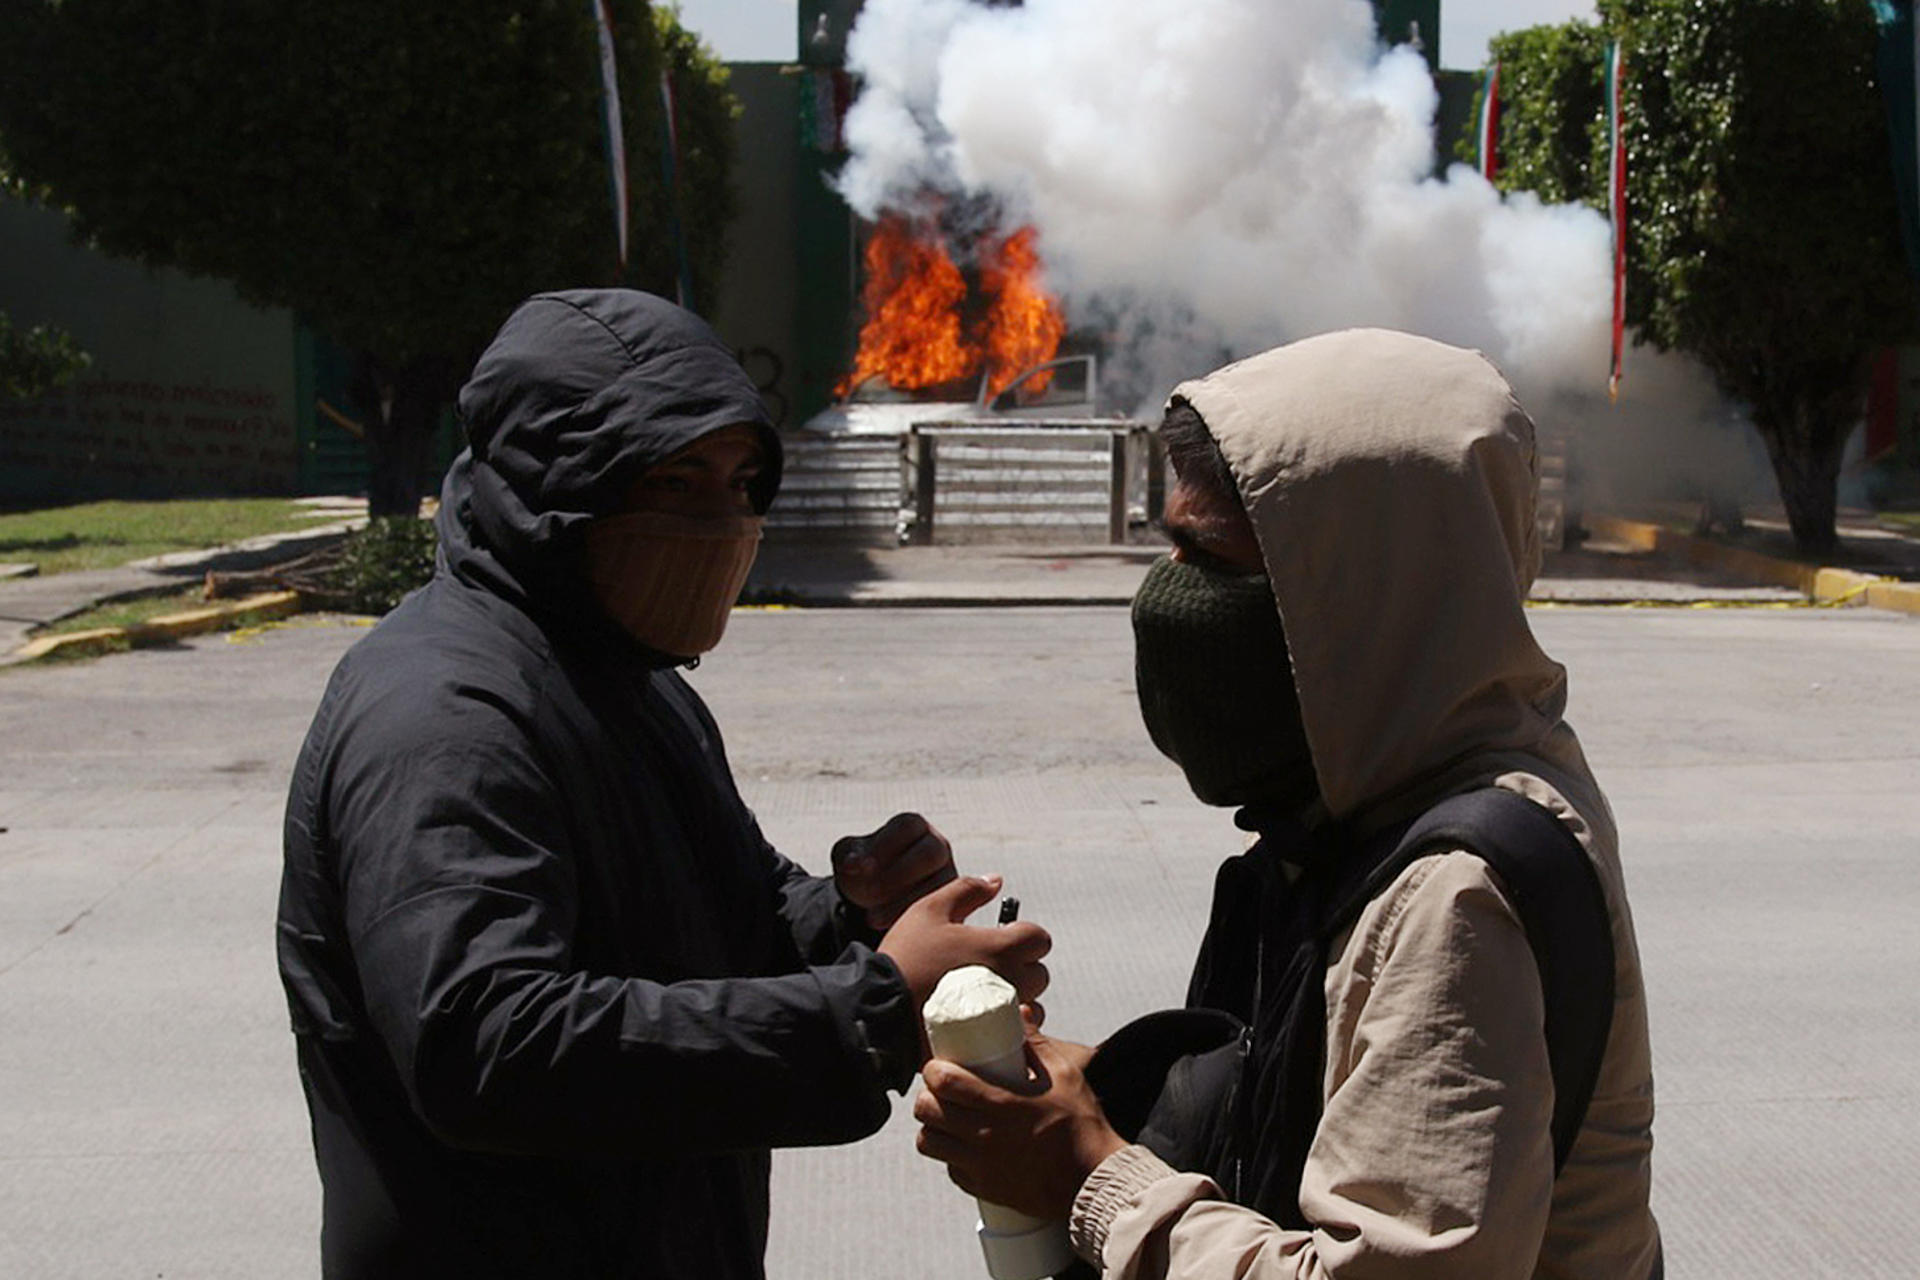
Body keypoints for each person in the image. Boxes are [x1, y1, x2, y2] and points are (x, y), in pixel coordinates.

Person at [277, 288, 1050, 1279]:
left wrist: (855, 915)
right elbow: (486, 1044)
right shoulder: (444, 716)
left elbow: (719, 914)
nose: (723, 520)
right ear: (557, 482)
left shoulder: (626, 674)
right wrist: (877, 1001)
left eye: (740, 483)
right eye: (677, 481)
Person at [913, 329, 1661, 1279]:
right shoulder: (1397, 782)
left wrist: (1091, 1177)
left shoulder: (1457, 896)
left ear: (1350, 602)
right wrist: (1076, 1095)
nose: (1167, 599)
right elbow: (1326, 1087)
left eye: (1205, 559)